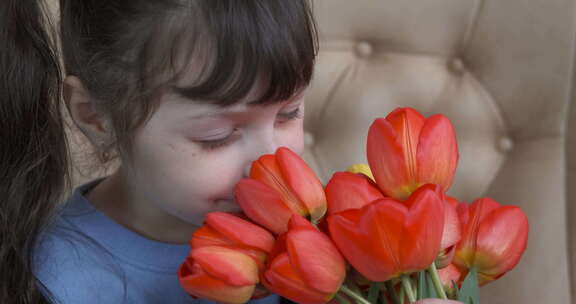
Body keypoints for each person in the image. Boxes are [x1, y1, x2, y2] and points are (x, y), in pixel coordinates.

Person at [0, 0, 318, 303]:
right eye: (216, 136)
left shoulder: (310, 229)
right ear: (95, 116)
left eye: (288, 113)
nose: (271, 163)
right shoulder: (51, 282)